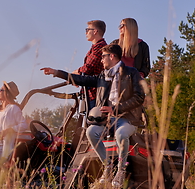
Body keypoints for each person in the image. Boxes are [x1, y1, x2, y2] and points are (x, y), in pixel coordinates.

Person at [40, 44, 145, 188]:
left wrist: (115, 108)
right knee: (91, 132)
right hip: (107, 121)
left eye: (103, 57)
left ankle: (121, 171)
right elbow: (83, 80)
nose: (101, 60)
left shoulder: (131, 73)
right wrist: (57, 72)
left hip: (128, 119)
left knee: (121, 134)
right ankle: (108, 167)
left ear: (112, 56)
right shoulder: (103, 75)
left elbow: (139, 97)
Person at [72, 20, 107, 109]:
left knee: (93, 120)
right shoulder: (95, 47)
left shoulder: (100, 48)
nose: (85, 33)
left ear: (95, 31)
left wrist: (75, 74)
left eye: (87, 30)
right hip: (90, 92)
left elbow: (88, 68)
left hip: (95, 92)